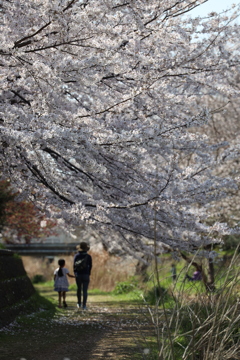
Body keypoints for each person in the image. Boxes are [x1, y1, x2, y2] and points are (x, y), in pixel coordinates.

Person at [74, 242, 92, 310]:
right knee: (85, 290)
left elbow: (74, 266)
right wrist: (88, 273)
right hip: (86, 274)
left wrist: (75, 273)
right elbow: (90, 266)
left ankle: (79, 303)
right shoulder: (88, 256)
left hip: (78, 274)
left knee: (79, 289)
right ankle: (84, 305)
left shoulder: (76, 256)